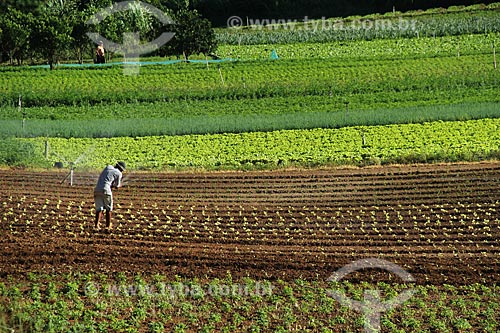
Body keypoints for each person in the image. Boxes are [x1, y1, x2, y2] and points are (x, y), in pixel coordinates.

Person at [94, 162, 126, 230]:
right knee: (109, 209)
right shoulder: (119, 173)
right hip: (106, 190)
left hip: (97, 189)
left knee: (99, 209)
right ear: (121, 169)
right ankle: (108, 226)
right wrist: (119, 186)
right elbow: (117, 185)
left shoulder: (108, 167)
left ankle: (96, 225)